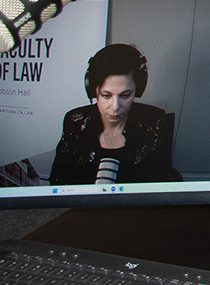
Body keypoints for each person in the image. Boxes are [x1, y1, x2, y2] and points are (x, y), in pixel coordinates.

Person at [48, 44, 182, 186]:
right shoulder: (76, 121)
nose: (115, 107)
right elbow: (59, 179)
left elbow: (163, 180)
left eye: (125, 95)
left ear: (138, 89)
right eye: (106, 96)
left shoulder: (154, 121)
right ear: (93, 91)